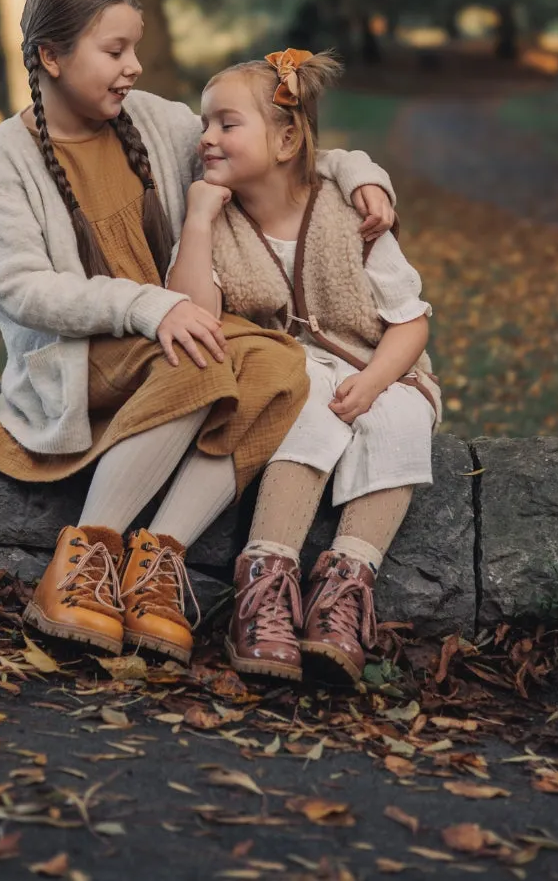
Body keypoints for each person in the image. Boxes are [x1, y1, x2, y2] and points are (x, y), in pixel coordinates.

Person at [0, 0, 396, 666]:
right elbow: (20, 288)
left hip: (177, 333)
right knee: (202, 353)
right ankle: (83, 559)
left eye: (133, 48)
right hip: (86, 360)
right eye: (114, 51)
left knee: (280, 364)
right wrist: (147, 304)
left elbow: (270, 144)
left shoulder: (156, 122)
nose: (133, 66)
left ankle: (155, 566)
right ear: (51, 56)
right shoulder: (5, 156)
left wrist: (360, 172)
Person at [168, 48, 441, 684]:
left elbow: (410, 320)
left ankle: (344, 589)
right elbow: (193, 311)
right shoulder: (217, 219)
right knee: (306, 399)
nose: (206, 137)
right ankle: (264, 586)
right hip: (284, 369)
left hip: (381, 365)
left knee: (403, 417)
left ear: (288, 138)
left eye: (226, 124)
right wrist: (200, 222)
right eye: (205, 123)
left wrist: (376, 382)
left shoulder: (351, 211)